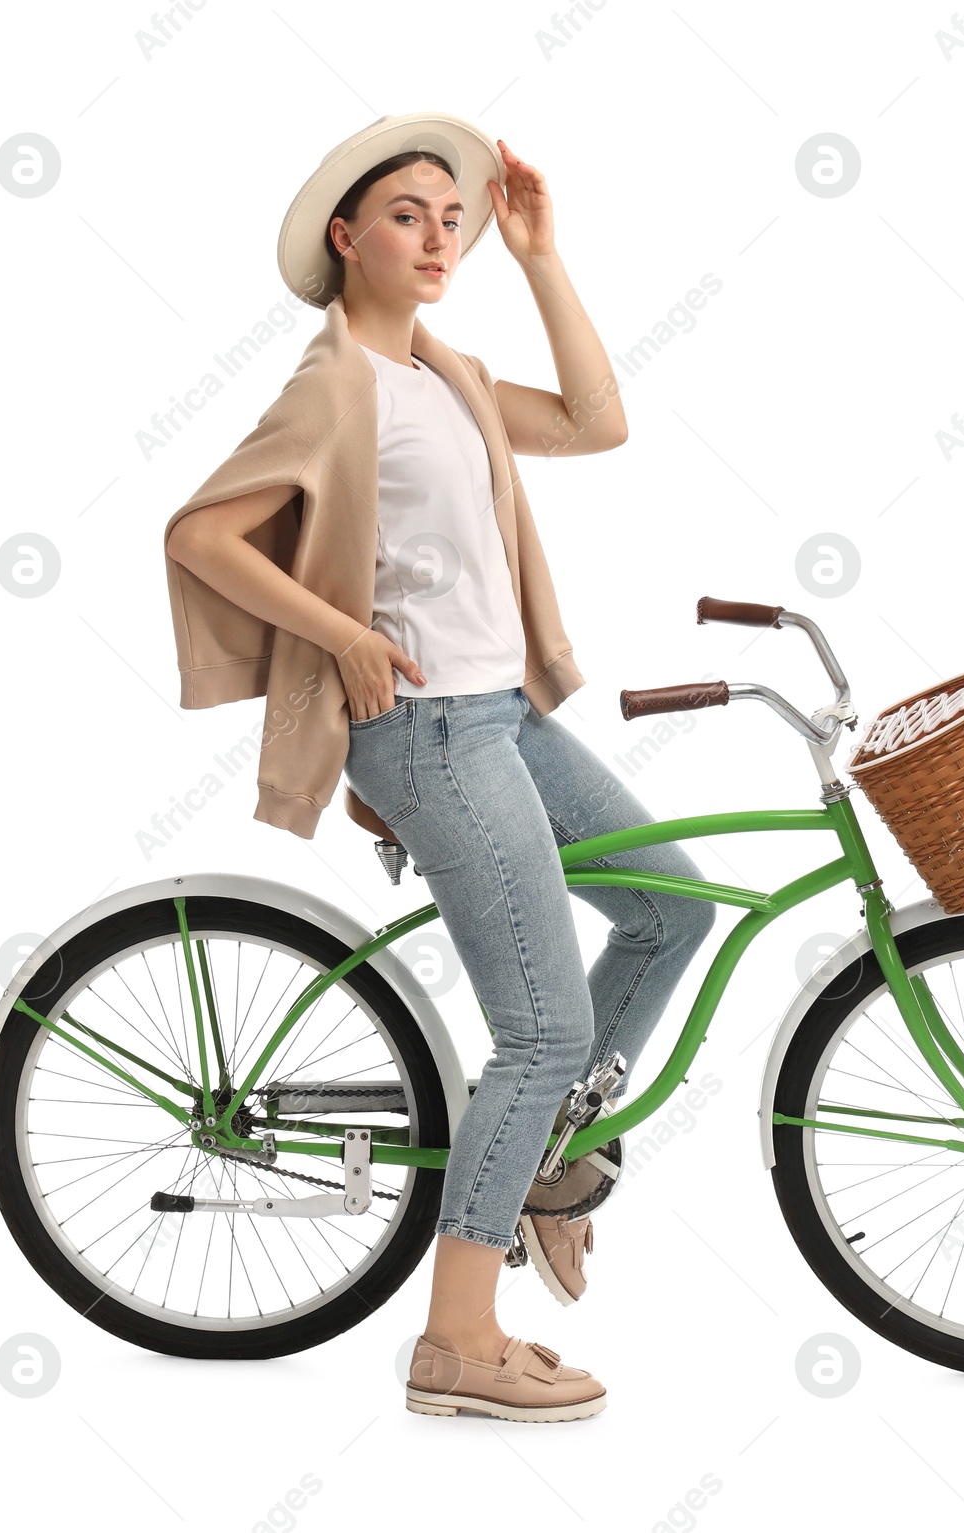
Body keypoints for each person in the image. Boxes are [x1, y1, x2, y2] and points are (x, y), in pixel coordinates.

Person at [166, 116, 713, 1422]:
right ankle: (457, 1339)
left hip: (505, 715)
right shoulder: (334, 382)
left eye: (449, 217)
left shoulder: (449, 374)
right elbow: (201, 531)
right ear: (346, 237)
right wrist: (344, 633)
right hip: (424, 733)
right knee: (544, 1029)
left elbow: (597, 420)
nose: (437, 236)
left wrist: (539, 256)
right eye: (408, 215)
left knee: (672, 906)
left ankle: (542, 1165)